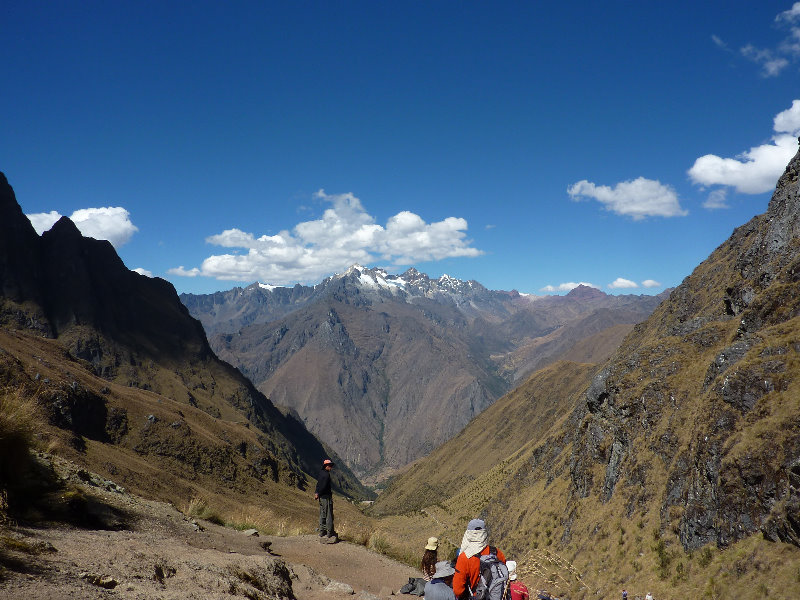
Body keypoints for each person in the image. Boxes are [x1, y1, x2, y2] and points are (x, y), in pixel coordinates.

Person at [452, 518, 507, 600]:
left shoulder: (464, 557)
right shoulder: (497, 553)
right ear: (484, 533)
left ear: (468, 534)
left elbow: (458, 590)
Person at [314, 458, 336, 543]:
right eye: (329, 466)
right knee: (328, 515)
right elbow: (323, 486)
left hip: (321, 497)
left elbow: (318, 484)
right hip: (326, 497)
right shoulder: (326, 475)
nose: (331, 467)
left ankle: (322, 531)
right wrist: (319, 493)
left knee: (322, 514)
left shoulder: (321, 473)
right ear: (326, 466)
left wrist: (317, 493)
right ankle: (329, 532)